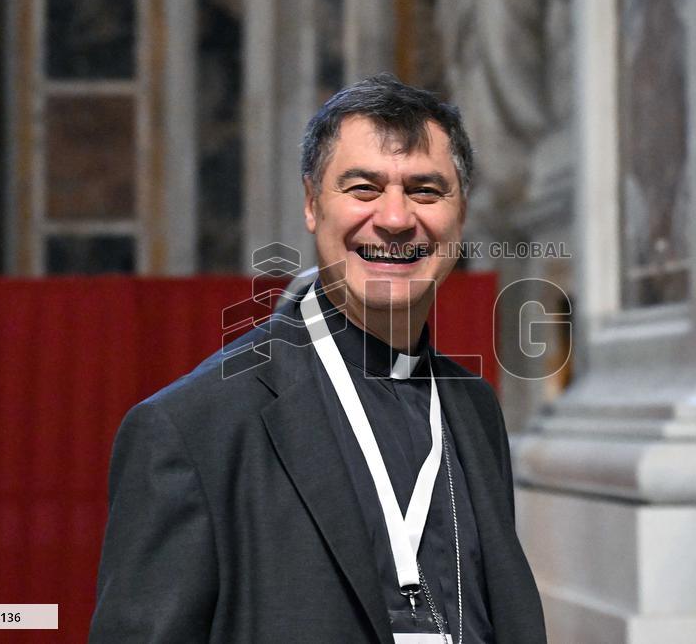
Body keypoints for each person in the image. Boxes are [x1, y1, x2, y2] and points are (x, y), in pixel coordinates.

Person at [90, 73, 546, 643]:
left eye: (426, 191)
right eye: (363, 189)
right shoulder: (194, 429)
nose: (397, 219)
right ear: (312, 203)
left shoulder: (474, 407)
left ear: (461, 213)